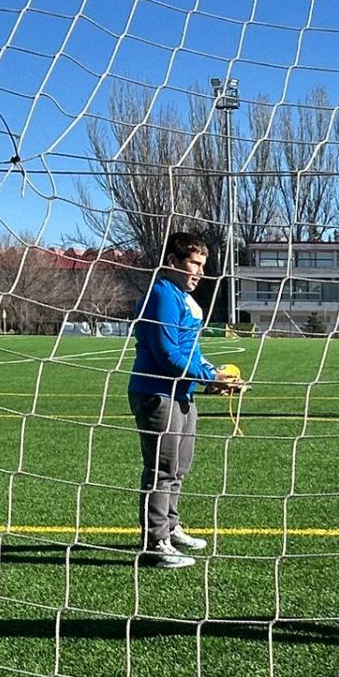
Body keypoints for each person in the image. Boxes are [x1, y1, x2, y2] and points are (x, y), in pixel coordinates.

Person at [128, 231, 238, 569]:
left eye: (203, 265)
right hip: (157, 393)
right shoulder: (162, 294)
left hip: (182, 393)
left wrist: (211, 376)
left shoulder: (183, 296)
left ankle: (171, 528)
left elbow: (191, 351)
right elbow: (166, 355)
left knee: (179, 466)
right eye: (194, 263)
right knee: (162, 468)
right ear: (172, 262)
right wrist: (208, 377)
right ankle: (154, 542)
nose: (200, 272)